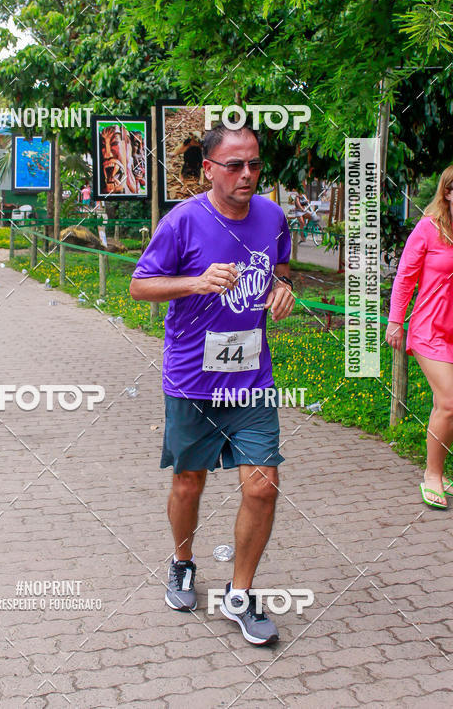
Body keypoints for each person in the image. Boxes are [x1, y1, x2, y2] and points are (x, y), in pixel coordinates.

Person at [129, 122, 294, 646]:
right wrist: (195, 283)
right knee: (188, 483)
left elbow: (282, 265)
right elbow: (139, 285)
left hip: (251, 380)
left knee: (263, 487)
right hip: (192, 382)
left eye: (254, 164)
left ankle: (240, 595)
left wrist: (284, 288)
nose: (247, 175)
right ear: (209, 169)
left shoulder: (272, 215)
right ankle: (182, 562)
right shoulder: (182, 221)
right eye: (234, 166)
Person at [386, 166, 453, 509]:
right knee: (449, 402)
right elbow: (404, 278)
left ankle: (439, 467)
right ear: (448, 194)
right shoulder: (428, 229)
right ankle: (432, 474)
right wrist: (395, 321)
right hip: (430, 330)